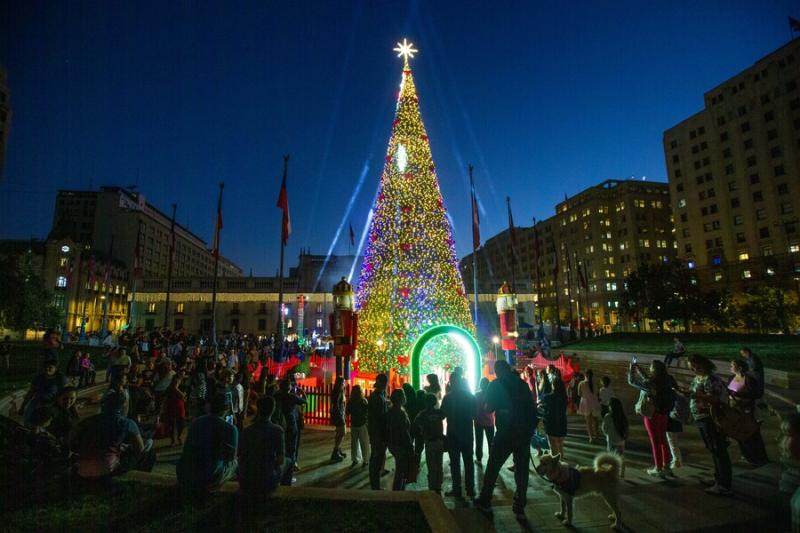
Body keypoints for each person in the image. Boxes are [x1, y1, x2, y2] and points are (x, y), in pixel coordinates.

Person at [474, 360, 537, 519]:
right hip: (523, 433)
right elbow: (531, 408)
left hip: (505, 433)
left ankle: (485, 500)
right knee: (522, 471)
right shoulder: (522, 384)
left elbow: (489, 408)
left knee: (493, 466)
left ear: (496, 371)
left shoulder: (495, 385)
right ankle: (519, 506)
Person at [71, 391, 155, 479]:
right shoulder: (127, 423)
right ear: (122, 406)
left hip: (82, 468)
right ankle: (141, 479)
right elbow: (140, 449)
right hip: (106, 469)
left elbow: (72, 440)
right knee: (149, 448)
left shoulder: (88, 421)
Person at [177, 392, 238, 497]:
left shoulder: (197, 422)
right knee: (235, 463)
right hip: (206, 478)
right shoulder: (230, 429)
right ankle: (214, 487)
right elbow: (231, 457)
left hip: (184, 472)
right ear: (226, 409)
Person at [687, 355, 732, 496]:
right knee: (713, 449)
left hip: (712, 419)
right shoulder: (698, 379)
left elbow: (715, 399)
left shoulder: (712, 379)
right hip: (701, 418)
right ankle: (717, 478)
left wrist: (697, 396)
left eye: (696, 367)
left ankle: (724, 485)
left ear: (704, 365)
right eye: (691, 367)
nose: (694, 370)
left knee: (719, 450)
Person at [628, 359, 674, 478]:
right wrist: (639, 368)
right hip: (663, 413)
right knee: (663, 439)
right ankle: (667, 466)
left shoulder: (651, 383)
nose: (649, 369)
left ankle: (658, 467)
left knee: (655, 441)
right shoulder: (666, 380)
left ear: (654, 370)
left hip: (651, 414)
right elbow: (647, 379)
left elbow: (632, 381)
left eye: (651, 368)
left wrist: (631, 369)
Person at [239, 396, 286, 495]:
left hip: (247, 478)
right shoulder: (277, 430)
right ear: (273, 410)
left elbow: (241, 456)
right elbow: (280, 460)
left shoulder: (247, 430)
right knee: (289, 462)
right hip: (267, 479)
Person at [727, 359, 769, 466]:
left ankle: (760, 459)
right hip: (735, 412)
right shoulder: (731, 378)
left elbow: (755, 395)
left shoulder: (749, 379)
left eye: (732, 365)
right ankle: (748, 457)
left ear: (740, 368)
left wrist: (738, 396)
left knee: (753, 435)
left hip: (748, 412)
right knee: (740, 435)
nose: (730, 367)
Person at [441, 373, 477, 498]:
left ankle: (457, 489)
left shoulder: (447, 398)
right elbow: (475, 413)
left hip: (453, 434)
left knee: (455, 463)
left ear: (451, 382)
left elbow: (442, 415)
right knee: (468, 462)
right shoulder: (470, 396)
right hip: (467, 433)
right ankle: (470, 489)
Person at [412, 393, 445, 494]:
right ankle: (438, 485)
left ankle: (432, 486)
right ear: (435, 402)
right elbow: (445, 415)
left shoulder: (422, 414)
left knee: (431, 466)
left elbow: (416, 423)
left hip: (429, 442)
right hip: (439, 441)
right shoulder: (440, 413)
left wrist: (423, 430)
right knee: (439, 464)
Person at [275, 378, 305, 484]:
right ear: (289, 387)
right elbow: (304, 401)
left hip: (280, 423)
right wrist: (302, 392)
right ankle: (288, 476)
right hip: (291, 424)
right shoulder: (291, 397)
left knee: (280, 448)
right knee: (291, 449)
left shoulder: (276, 395)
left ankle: (279, 474)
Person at [19, 360, 66, 427]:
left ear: (56, 369)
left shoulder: (60, 379)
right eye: (45, 367)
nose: (47, 369)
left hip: (50, 403)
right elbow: (31, 392)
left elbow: (63, 393)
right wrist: (22, 406)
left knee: (45, 423)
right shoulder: (38, 378)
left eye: (50, 367)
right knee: (28, 420)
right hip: (36, 402)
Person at [386, 388, 414, 491]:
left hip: (393, 443)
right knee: (400, 470)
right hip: (400, 444)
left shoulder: (391, 411)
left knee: (400, 469)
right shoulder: (400, 413)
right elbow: (404, 431)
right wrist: (410, 445)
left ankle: (399, 490)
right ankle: (397, 491)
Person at [540, 365, 568, 458]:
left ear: (553, 386)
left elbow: (542, 408)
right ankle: (561, 465)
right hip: (562, 424)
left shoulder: (548, 397)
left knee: (554, 449)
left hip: (552, 424)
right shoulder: (564, 398)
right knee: (560, 447)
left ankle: (556, 468)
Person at [367, 373, 390, 490]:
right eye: (385, 382)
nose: (387, 385)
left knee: (377, 458)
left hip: (378, 433)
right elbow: (378, 418)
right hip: (378, 434)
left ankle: (375, 484)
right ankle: (375, 486)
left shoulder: (379, 395)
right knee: (376, 458)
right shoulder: (377, 397)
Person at [601, 397, 628, 478]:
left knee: (611, 458)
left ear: (610, 407)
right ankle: (622, 472)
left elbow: (604, 428)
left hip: (611, 440)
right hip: (621, 440)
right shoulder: (622, 416)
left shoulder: (608, 416)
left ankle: (612, 473)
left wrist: (607, 434)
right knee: (620, 456)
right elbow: (626, 428)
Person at [346, 384, 370, 468]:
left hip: (354, 424)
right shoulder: (363, 401)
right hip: (362, 424)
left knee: (354, 443)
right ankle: (366, 460)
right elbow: (367, 412)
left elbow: (347, 412)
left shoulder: (351, 401)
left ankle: (355, 459)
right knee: (364, 443)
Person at [474, 377, 495, 465]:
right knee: (491, 442)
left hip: (478, 421)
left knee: (479, 441)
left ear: (480, 385)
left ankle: (479, 459)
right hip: (490, 422)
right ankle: (492, 460)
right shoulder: (492, 395)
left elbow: (474, 407)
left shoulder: (477, 395)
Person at [577, 369, 601, 443]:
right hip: (594, 403)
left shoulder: (581, 383)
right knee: (595, 421)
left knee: (588, 422)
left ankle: (591, 438)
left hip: (586, 403)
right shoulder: (595, 383)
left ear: (585, 375)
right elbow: (597, 393)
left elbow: (579, 394)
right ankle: (596, 436)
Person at [165, 374, 187, 447]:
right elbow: (166, 398)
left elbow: (184, 397)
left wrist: (176, 389)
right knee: (172, 425)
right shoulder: (169, 388)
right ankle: (173, 440)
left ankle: (179, 437)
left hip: (180, 408)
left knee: (181, 424)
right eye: (175, 380)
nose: (177, 382)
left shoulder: (182, 387)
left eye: (178, 380)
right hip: (171, 408)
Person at [330, 377, 347, 463]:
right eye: (343, 383)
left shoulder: (339, 391)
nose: (344, 384)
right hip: (339, 415)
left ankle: (338, 450)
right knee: (343, 432)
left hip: (339, 414)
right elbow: (336, 405)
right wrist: (341, 416)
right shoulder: (338, 392)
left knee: (339, 433)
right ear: (340, 383)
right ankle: (335, 452)